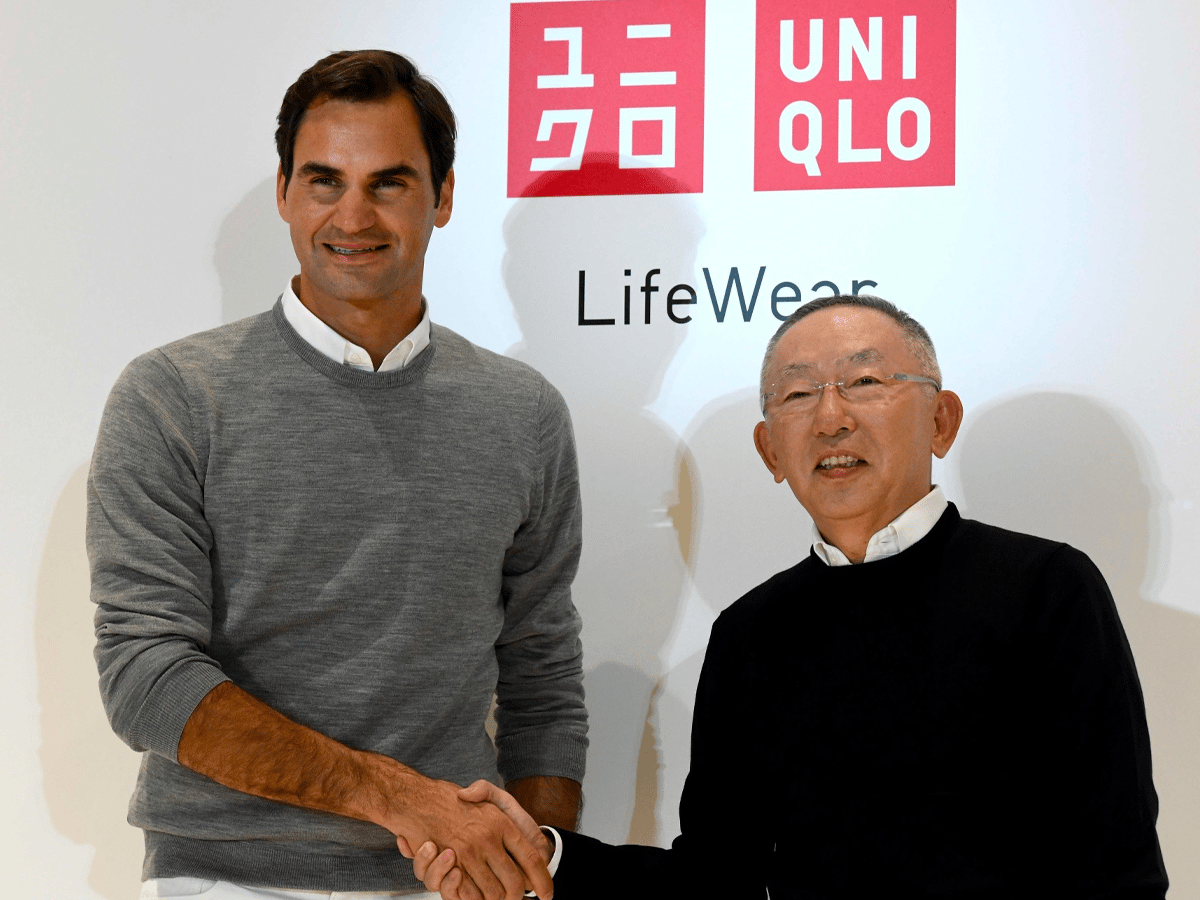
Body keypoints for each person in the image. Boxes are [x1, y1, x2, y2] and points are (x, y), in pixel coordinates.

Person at [411, 295, 1168, 898]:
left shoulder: (1048, 590)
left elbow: (1119, 865)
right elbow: (716, 881)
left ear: (942, 420)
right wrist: (545, 857)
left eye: (866, 382)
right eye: (799, 394)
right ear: (771, 450)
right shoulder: (752, 635)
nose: (832, 415)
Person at [87, 50, 587, 900]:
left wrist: (530, 861)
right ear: (284, 192)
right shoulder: (172, 395)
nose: (353, 215)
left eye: (389, 182)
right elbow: (145, 676)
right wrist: (406, 802)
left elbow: (541, 671)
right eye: (324, 181)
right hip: (225, 878)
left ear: (445, 195)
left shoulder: (522, 413)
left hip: (454, 882)